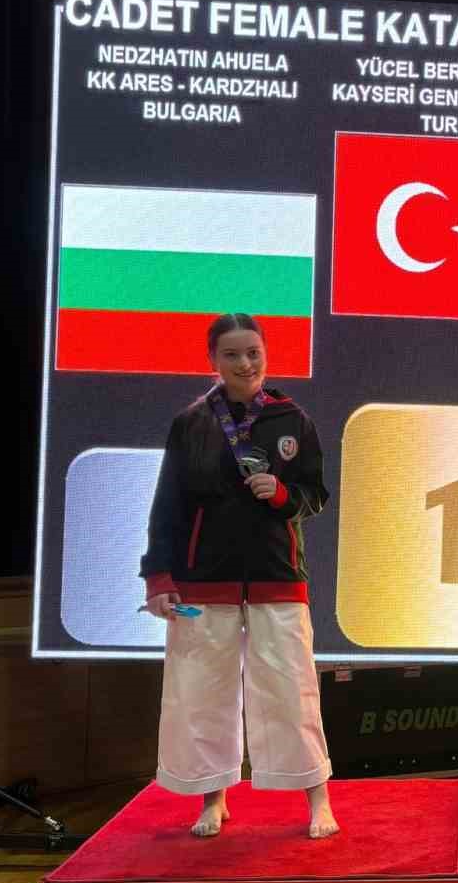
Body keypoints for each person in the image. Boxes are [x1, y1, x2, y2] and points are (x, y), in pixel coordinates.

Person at [141, 313, 337, 839]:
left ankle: (318, 798)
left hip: (278, 575)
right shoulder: (191, 424)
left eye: (253, 352)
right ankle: (214, 799)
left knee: (292, 689)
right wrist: (158, 578)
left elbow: (315, 495)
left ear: (265, 353)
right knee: (204, 692)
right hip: (205, 579)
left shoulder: (293, 419)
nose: (245, 363)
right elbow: (168, 506)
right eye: (231, 354)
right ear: (213, 360)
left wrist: (282, 494)